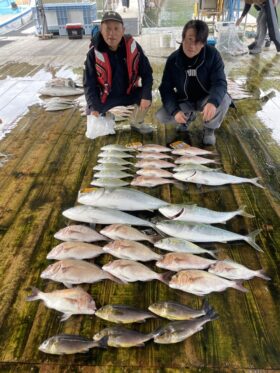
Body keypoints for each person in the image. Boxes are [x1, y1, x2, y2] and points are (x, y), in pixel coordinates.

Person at [156, 19, 232, 146]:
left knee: (223, 99)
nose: (192, 45)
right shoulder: (173, 59)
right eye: (190, 39)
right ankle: (187, 118)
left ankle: (210, 129)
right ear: (183, 37)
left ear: (203, 43)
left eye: (198, 41)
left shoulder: (213, 55)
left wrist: (213, 102)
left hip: (205, 99)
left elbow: (220, 83)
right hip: (185, 100)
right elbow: (165, 88)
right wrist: (175, 111)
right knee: (162, 115)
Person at [84, 11, 153, 134]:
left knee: (146, 95)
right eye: (108, 29)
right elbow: (89, 84)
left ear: (123, 30)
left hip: (129, 93)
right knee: (92, 111)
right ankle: (108, 118)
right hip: (106, 97)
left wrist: (146, 95)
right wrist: (94, 107)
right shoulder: (93, 54)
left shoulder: (134, 47)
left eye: (116, 28)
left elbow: (147, 73)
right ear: (101, 29)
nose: (112, 33)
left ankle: (136, 123)